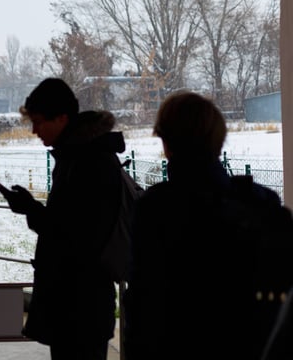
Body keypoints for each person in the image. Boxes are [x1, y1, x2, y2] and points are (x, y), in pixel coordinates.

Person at [124, 91, 292, 360]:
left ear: (166, 142)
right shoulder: (261, 203)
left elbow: (144, 304)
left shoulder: (156, 208)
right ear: (218, 140)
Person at [0, 77, 124, 360]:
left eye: (39, 122)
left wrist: (31, 210)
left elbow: (76, 237)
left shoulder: (88, 161)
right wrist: (32, 208)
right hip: (79, 305)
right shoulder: (79, 156)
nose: (34, 131)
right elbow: (70, 225)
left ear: (62, 118)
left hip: (80, 307)